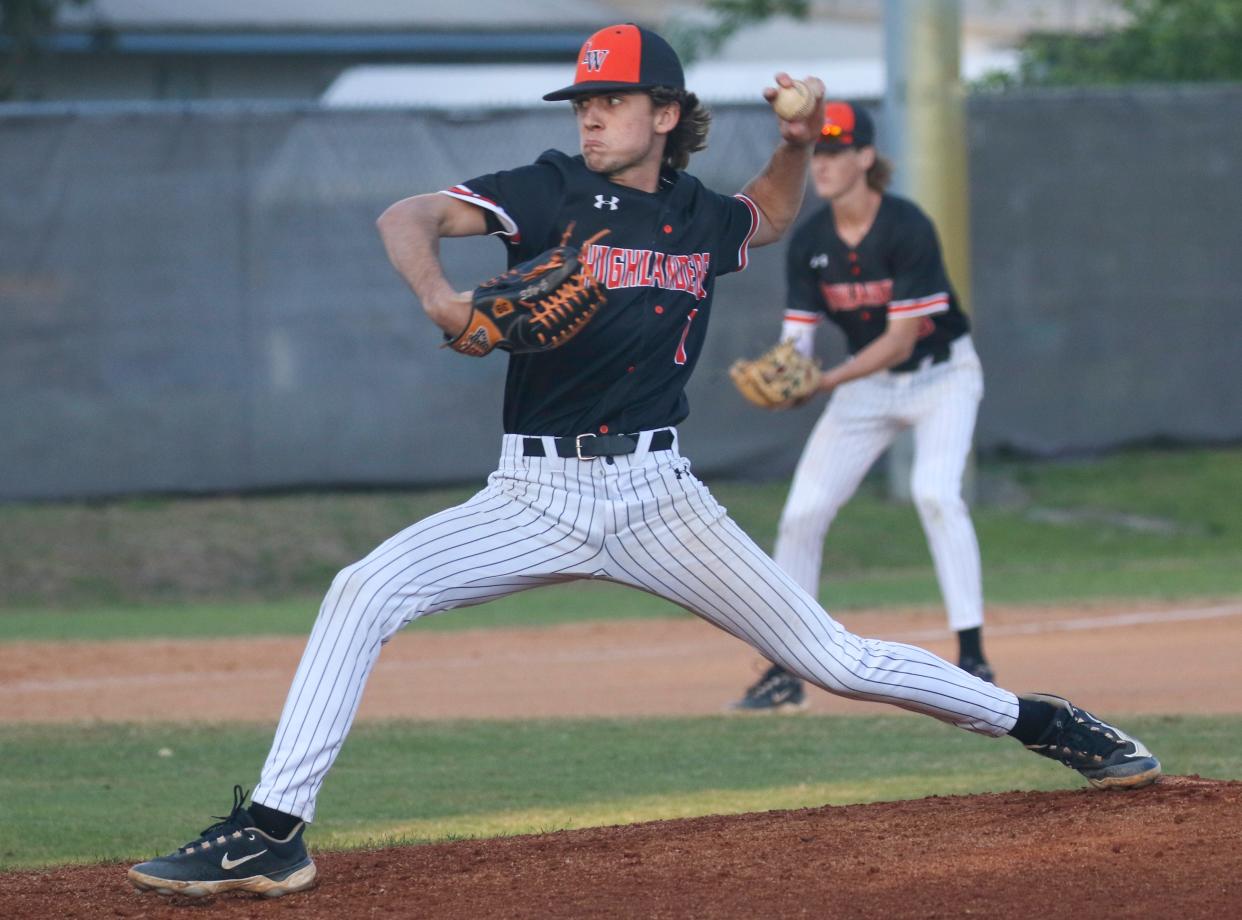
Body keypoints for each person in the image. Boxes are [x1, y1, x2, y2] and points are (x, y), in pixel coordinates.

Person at [128, 25, 1161, 900]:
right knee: (363, 589)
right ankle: (274, 825)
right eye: (583, 99)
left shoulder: (698, 217)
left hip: (660, 495)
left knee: (834, 661)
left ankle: (1042, 717)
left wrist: (799, 138)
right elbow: (408, 216)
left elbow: (769, 210)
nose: (590, 115)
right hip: (533, 490)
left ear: (663, 111)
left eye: (612, 100)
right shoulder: (547, 189)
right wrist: (443, 298)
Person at [729, 101, 993, 714]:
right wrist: (791, 372)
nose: (820, 164)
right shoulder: (812, 242)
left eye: (834, 151)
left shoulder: (906, 227)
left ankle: (973, 652)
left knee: (935, 492)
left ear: (864, 158)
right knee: (802, 514)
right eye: (816, 152)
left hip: (942, 376)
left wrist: (824, 382)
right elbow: (798, 338)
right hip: (865, 389)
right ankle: (783, 668)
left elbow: (902, 339)